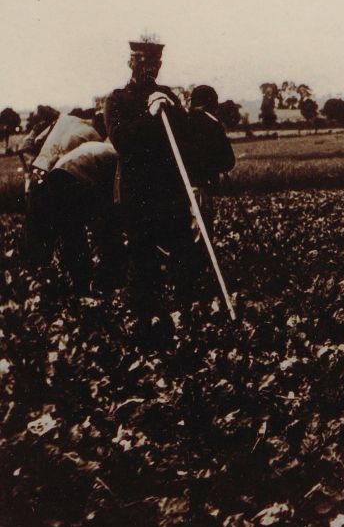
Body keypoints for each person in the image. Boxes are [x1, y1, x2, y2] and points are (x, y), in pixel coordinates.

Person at [104, 38, 192, 334]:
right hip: (137, 190)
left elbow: (186, 137)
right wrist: (149, 115)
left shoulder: (168, 96)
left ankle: (185, 310)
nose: (149, 69)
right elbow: (122, 141)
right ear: (131, 63)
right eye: (142, 63)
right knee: (141, 254)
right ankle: (144, 318)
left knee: (181, 247)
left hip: (169, 188)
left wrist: (173, 110)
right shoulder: (116, 99)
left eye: (154, 64)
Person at [22, 140, 124, 295]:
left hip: (76, 171)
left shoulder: (111, 158)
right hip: (72, 173)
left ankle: (90, 280)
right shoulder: (110, 153)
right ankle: (87, 280)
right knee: (74, 232)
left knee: (80, 232)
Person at [183, 85, 236, 237]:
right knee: (203, 236)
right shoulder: (213, 124)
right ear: (212, 103)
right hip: (202, 189)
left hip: (179, 190)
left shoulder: (181, 121)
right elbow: (228, 162)